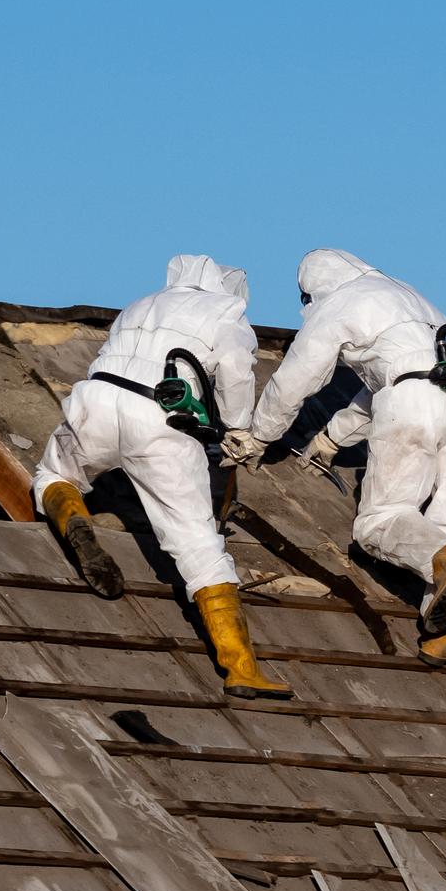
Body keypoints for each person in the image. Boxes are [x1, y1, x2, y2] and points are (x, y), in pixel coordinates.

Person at [33, 255, 293, 700]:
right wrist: (235, 429)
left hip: (96, 397)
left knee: (55, 473)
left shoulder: (141, 304)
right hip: (159, 416)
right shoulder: (226, 312)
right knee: (198, 543)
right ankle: (241, 668)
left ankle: (73, 516)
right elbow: (233, 371)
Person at [226, 249, 446, 665]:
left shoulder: (338, 301)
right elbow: (388, 379)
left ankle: (438, 560)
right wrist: (332, 440)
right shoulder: (405, 295)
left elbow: (295, 380)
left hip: (416, 397)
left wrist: (258, 438)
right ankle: (443, 635)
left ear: (312, 290)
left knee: (382, 519)